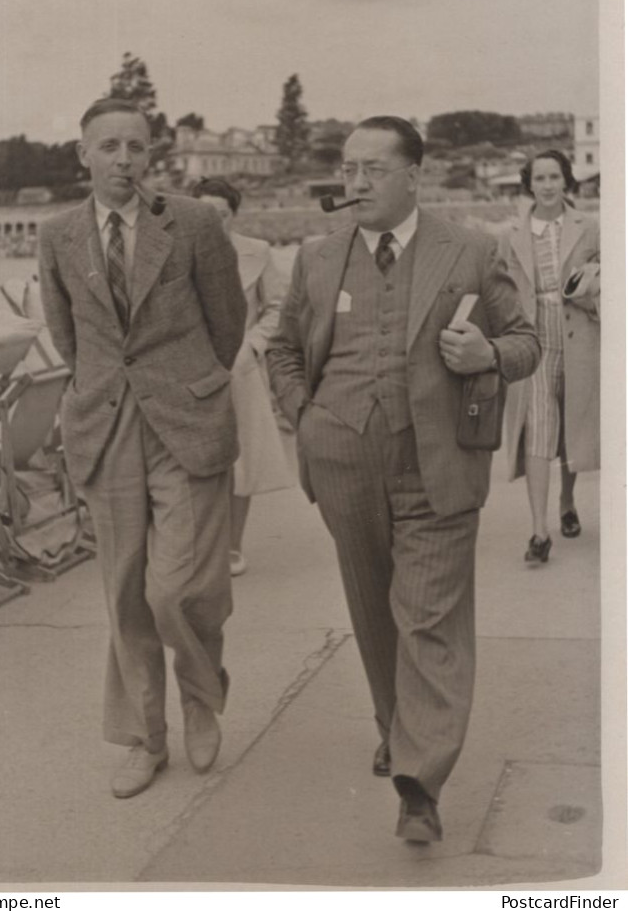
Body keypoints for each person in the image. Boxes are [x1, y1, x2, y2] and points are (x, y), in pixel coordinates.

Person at [266, 116, 540, 844]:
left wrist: (486, 350)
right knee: (373, 610)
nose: (352, 183)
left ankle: (418, 782)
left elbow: (526, 343)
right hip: (343, 459)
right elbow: (283, 352)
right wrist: (308, 416)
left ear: (413, 174)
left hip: (437, 464)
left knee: (427, 617)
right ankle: (394, 727)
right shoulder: (317, 258)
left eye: (371, 170)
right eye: (347, 170)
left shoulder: (472, 249)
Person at [38, 98, 246, 799]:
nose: (123, 159)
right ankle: (145, 737)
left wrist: (187, 386)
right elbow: (67, 337)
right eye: (108, 146)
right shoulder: (58, 234)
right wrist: (100, 391)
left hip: (184, 420)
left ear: (151, 153)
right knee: (125, 590)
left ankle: (199, 695)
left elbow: (227, 324)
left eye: (135, 145)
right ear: (83, 154)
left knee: (177, 587)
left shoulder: (191, 222)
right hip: (104, 424)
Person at [191, 177, 296, 576]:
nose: (214, 223)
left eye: (221, 215)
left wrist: (252, 344)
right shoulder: (174, 251)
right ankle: (200, 547)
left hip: (239, 369)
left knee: (241, 459)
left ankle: (232, 546)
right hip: (189, 370)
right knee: (193, 459)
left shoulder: (257, 252)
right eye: (205, 215)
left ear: (233, 215)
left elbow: (279, 308)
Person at [500, 150, 600, 564]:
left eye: (554, 177)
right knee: (538, 427)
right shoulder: (511, 233)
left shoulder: (589, 227)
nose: (546, 185)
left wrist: (592, 284)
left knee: (570, 425)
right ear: (529, 183)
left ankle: (567, 501)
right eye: (539, 178)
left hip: (578, 335)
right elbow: (501, 290)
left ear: (566, 181)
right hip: (533, 341)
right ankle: (539, 530)